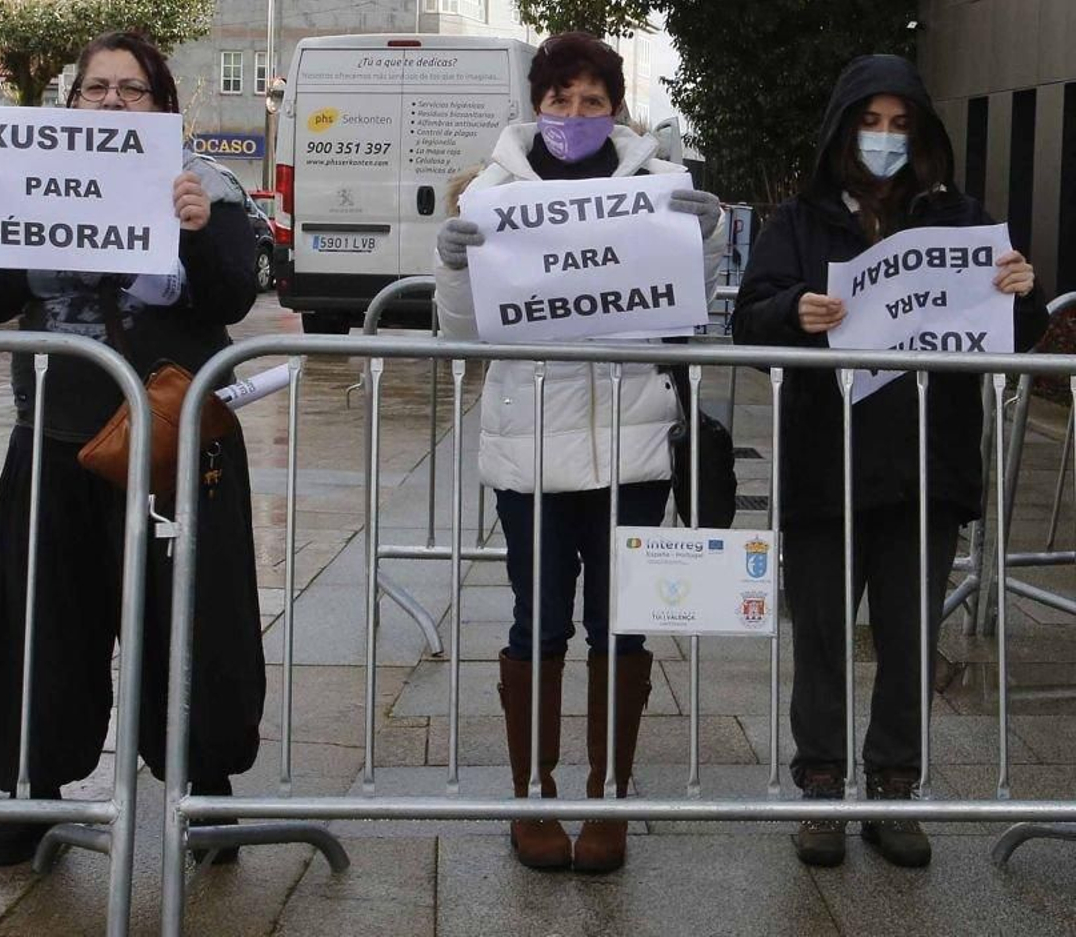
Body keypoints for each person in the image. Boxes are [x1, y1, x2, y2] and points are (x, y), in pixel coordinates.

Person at [0, 30, 266, 867]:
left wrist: (191, 226)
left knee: (188, 623)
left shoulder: (206, 185)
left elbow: (233, 289)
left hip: (171, 446)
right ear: (69, 104)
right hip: (55, 437)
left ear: (164, 107)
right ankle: (34, 793)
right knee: (42, 622)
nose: (111, 102)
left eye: (132, 90)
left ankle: (201, 784)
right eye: (95, 88)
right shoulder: (21, 176)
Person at [734, 54, 1045, 869]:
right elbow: (749, 319)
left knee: (909, 636)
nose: (883, 138)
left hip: (924, 473)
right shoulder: (798, 224)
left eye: (899, 123)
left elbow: (1013, 333)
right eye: (869, 123)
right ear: (844, 130)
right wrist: (790, 312)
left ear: (923, 133)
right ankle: (825, 789)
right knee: (825, 640)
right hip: (824, 472)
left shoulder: (961, 220)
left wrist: (1021, 290)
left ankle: (895, 788)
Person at [434, 32, 724, 874]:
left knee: (620, 625)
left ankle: (610, 794)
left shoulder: (656, 189)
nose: (572, 114)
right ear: (536, 105)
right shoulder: (489, 193)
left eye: (591, 100)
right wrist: (453, 265)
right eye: (558, 98)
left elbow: (687, 309)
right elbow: (460, 333)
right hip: (528, 456)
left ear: (616, 110)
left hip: (631, 449)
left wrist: (701, 239)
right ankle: (534, 793)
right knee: (539, 618)